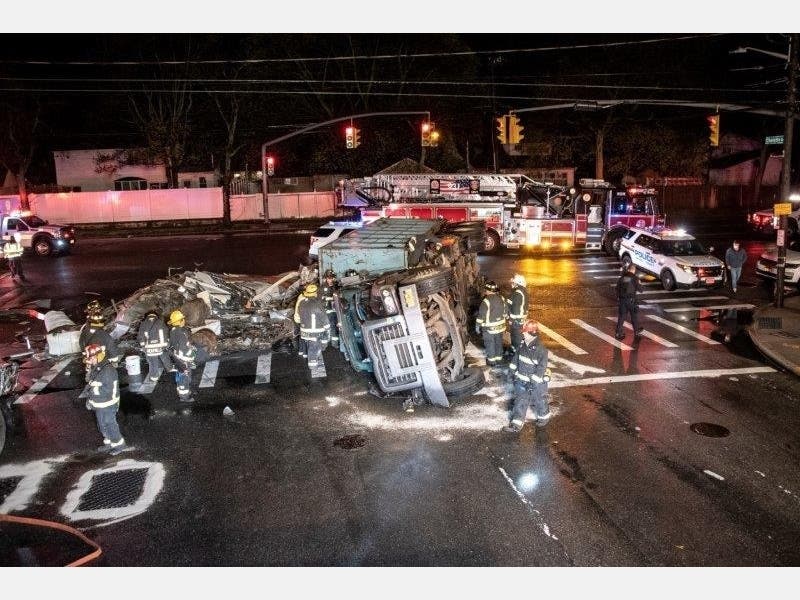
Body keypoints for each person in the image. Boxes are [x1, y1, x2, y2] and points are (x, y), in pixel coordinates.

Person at [503, 321, 551, 432]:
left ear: (532, 333)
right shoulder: (522, 345)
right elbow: (515, 360)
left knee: (539, 400)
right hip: (521, 380)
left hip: (537, 383)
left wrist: (534, 381)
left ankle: (544, 417)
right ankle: (516, 424)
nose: (523, 334)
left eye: (525, 332)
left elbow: (541, 367)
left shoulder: (541, 349)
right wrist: (511, 373)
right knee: (520, 401)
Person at [83, 343, 126, 454]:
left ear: (99, 356)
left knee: (109, 424)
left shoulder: (107, 371)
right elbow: (89, 381)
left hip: (108, 404)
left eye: (92, 358)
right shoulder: (98, 367)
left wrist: (91, 398)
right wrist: (88, 368)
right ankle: (109, 443)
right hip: (100, 404)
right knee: (101, 425)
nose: (90, 361)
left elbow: (102, 391)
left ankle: (119, 445)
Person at [297, 283, 330, 369]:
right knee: (314, 348)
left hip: (304, 330)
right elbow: (324, 317)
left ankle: (313, 360)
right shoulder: (317, 304)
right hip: (314, 331)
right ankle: (313, 365)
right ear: (315, 293)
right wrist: (327, 328)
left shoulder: (302, 303)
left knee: (310, 346)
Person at [168, 309, 197, 403]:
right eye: (183, 319)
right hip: (183, 359)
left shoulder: (173, 330)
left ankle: (184, 391)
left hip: (177, 358)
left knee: (181, 376)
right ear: (180, 321)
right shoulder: (182, 332)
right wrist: (192, 353)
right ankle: (184, 397)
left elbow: (173, 344)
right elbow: (184, 348)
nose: (184, 320)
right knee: (185, 377)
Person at [137, 309, 174, 382]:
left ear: (147, 316)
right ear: (156, 316)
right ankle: (170, 368)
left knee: (152, 362)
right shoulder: (160, 322)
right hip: (161, 346)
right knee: (164, 356)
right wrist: (167, 344)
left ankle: (154, 377)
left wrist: (143, 346)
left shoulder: (143, 324)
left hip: (149, 347)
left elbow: (141, 336)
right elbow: (166, 332)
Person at [476, 280, 507, 368]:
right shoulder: (502, 298)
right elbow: (505, 312)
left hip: (489, 329)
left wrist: (477, 326)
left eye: (486, 290)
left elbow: (481, 316)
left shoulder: (486, 301)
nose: (485, 291)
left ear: (488, 291)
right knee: (498, 343)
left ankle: (491, 361)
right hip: (500, 327)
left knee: (490, 344)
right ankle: (499, 359)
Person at [615, 263, 643, 340]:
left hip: (622, 300)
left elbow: (617, 289)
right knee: (634, 316)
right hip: (631, 301)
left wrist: (619, 298)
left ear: (628, 269)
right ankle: (636, 331)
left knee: (621, 317)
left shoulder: (622, 278)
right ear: (634, 270)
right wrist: (640, 283)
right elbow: (641, 290)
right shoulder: (635, 278)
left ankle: (618, 333)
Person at [506, 274, 529, 350]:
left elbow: (516, 308)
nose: (512, 284)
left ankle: (517, 352)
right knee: (517, 336)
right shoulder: (522, 291)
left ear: (518, 283)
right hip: (520, 320)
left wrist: (511, 319)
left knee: (516, 337)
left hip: (516, 321)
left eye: (514, 283)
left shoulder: (517, 293)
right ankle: (515, 350)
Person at [321, 270, 340, 348]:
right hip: (327, 311)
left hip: (335, 311)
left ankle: (335, 343)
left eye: (331, 278)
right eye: (329, 278)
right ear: (326, 278)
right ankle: (324, 344)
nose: (330, 280)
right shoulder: (322, 287)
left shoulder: (336, 286)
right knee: (327, 327)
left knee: (335, 326)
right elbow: (320, 300)